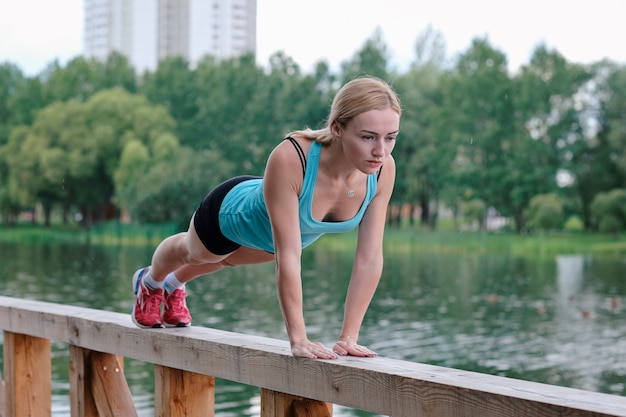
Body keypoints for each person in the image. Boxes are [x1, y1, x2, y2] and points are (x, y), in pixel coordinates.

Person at [131, 76, 402, 360]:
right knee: (194, 252)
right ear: (337, 128)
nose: (380, 151)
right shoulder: (292, 157)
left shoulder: (383, 170)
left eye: (391, 138)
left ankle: (174, 286)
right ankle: (151, 282)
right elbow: (289, 258)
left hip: (270, 241)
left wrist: (348, 337)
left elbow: (369, 258)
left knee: (223, 260)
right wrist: (299, 339)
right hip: (231, 213)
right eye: (368, 137)